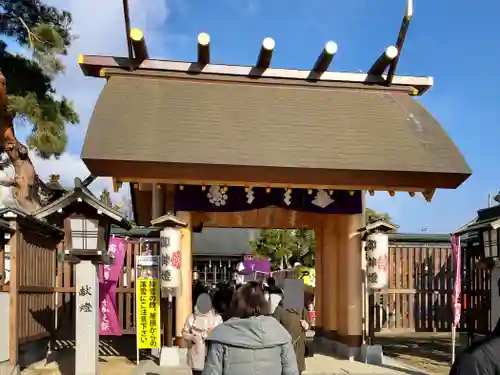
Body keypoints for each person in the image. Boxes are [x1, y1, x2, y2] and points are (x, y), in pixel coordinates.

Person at [202, 281, 299, 375]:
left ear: (236, 303)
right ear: (263, 304)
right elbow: (291, 371)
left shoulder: (222, 335)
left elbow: (212, 371)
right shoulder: (279, 333)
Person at [182, 293, 223, 375]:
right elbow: (184, 333)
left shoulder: (217, 319)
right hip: (196, 353)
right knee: (197, 372)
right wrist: (192, 337)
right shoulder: (192, 318)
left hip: (213, 353)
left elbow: (222, 334)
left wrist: (212, 333)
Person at [272, 294, 310, 374]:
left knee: (298, 369)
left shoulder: (302, 308)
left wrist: (306, 326)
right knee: (286, 369)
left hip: (299, 345)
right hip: (286, 346)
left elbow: (308, 323)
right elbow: (274, 328)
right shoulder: (279, 309)